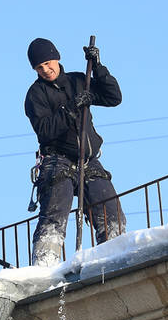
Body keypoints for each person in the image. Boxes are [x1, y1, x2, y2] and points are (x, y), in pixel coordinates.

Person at [24, 37, 126, 267]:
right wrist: (71, 109)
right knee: (54, 215)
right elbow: (45, 131)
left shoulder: (79, 81)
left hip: (89, 160)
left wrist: (98, 68)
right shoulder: (36, 95)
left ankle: (115, 261)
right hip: (56, 161)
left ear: (57, 58)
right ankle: (44, 267)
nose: (46, 70)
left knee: (111, 213)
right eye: (39, 67)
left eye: (48, 63)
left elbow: (114, 97)